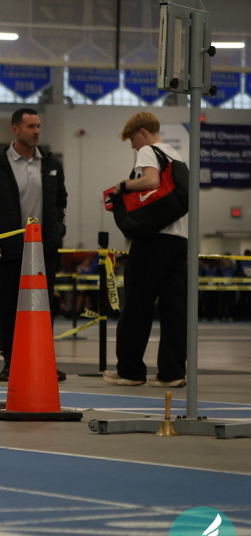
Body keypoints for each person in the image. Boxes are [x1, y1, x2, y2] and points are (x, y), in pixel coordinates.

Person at [0, 108, 67, 383]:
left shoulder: (51, 163)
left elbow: (60, 201)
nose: (36, 131)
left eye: (38, 126)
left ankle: (43, 361)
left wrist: (57, 230)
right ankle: (10, 362)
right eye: (30, 126)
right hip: (10, 248)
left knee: (44, 307)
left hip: (44, 249)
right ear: (15, 129)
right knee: (8, 307)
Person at [104, 112, 187, 388]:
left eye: (132, 139)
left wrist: (123, 185)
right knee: (174, 309)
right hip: (179, 240)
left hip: (152, 241)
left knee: (137, 307)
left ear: (142, 132)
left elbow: (150, 181)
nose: (132, 146)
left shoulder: (149, 151)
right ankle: (172, 373)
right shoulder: (175, 155)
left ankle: (130, 371)